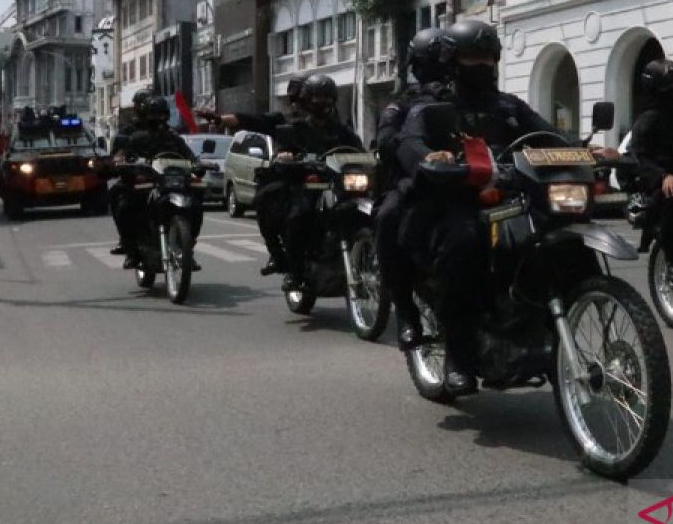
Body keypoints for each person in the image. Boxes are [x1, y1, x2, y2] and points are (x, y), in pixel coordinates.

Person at [396, 20, 616, 394]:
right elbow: (408, 142)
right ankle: (459, 357)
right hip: (459, 200)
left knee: (556, 236)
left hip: (512, 196)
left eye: (487, 57)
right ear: (452, 60)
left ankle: (548, 324)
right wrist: (431, 156)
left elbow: (547, 135)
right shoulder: (432, 105)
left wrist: (585, 148)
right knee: (463, 243)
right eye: (471, 57)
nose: (481, 65)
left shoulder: (509, 107)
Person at [199, 74, 362, 278]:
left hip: (335, 185)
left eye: (326, 100)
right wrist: (219, 118)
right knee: (295, 213)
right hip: (302, 184)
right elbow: (253, 121)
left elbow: (359, 151)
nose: (322, 105)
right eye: (316, 100)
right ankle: (293, 268)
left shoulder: (341, 130)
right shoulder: (290, 125)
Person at [373, 27, 452, 350]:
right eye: (432, 61)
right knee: (388, 218)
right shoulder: (402, 103)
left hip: (462, 181)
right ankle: (405, 310)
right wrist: (420, 153)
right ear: (418, 66)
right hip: (412, 183)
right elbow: (386, 139)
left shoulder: (463, 98)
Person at [112, 95, 205, 270]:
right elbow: (123, 154)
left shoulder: (174, 138)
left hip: (173, 183)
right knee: (124, 205)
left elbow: (190, 156)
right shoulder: (136, 137)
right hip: (148, 184)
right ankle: (131, 250)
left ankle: (188, 248)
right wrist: (122, 162)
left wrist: (198, 164)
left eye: (162, 115)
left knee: (196, 205)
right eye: (154, 115)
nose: (158, 119)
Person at [626, 59, 673, 281]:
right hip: (660, 181)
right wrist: (663, 176)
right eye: (669, 90)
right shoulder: (647, 122)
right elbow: (638, 157)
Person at [109, 88, 156, 260]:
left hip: (164, 179)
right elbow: (117, 154)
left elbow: (180, 150)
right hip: (137, 179)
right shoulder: (128, 131)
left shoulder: (165, 130)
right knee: (119, 199)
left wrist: (194, 162)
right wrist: (118, 161)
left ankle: (187, 244)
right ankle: (127, 243)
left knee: (193, 199)